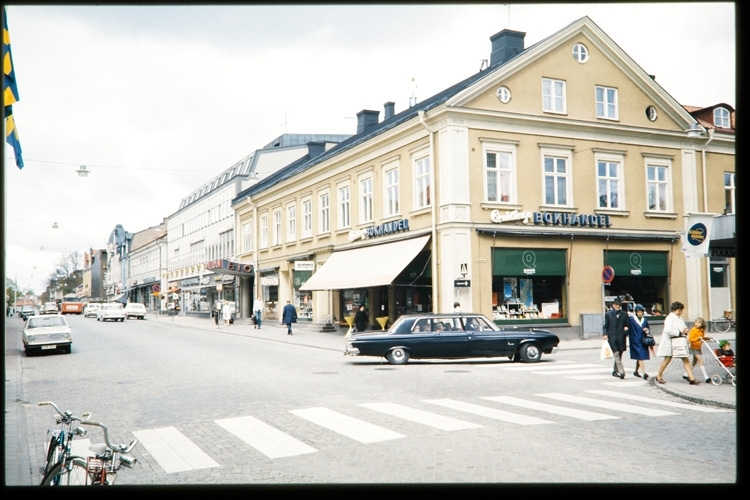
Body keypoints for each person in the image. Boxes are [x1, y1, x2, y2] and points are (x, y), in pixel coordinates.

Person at [655, 301, 700, 385]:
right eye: (679, 310)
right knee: (667, 359)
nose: (680, 312)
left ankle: (691, 378)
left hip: (679, 342)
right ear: (674, 310)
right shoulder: (670, 318)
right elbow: (667, 330)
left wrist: (685, 331)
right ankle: (659, 375)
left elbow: (682, 327)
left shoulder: (680, 318)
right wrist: (679, 332)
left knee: (685, 358)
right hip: (670, 341)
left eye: (681, 310)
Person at [603, 297, 629, 379]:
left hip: (621, 337)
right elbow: (606, 326)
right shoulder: (608, 314)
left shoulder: (624, 314)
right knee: (616, 353)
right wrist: (605, 334)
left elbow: (628, 325)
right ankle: (621, 371)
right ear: (613, 305)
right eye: (616, 305)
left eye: (619, 305)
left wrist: (626, 331)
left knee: (620, 353)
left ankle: (615, 371)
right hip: (612, 337)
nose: (618, 306)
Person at [628, 304, 652, 380]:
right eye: (638, 312)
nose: (640, 313)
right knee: (640, 356)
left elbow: (648, 330)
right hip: (634, 340)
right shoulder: (632, 320)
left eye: (641, 312)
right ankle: (644, 373)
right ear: (636, 312)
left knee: (639, 356)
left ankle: (636, 371)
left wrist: (646, 330)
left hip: (642, 340)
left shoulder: (645, 320)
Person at [687, 317, 712, 382]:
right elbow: (690, 339)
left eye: (698, 323)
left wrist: (706, 338)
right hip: (693, 347)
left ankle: (686, 374)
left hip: (698, 347)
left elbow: (702, 338)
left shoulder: (701, 330)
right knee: (700, 360)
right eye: (696, 322)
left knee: (694, 362)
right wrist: (697, 339)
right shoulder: (693, 330)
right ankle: (705, 376)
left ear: (702, 324)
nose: (696, 324)